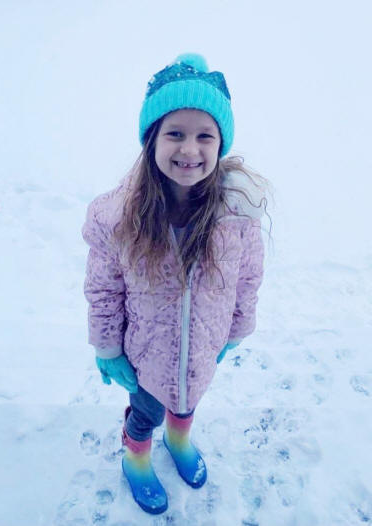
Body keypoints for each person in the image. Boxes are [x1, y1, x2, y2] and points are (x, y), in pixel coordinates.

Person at [82, 53, 268, 515]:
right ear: (152, 139)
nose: (190, 149)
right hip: (145, 354)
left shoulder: (237, 213)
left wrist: (236, 329)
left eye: (205, 135)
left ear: (221, 143)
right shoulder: (120, 217)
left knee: (188, 400)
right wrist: (108, 347)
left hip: (204, 345)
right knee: (146, 411)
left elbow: (248, 276)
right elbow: (104, 289)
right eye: (175, 133)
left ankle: (179, 438)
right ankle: (136, 455)